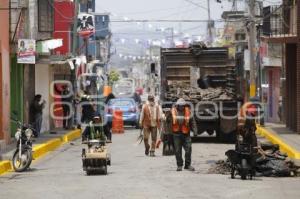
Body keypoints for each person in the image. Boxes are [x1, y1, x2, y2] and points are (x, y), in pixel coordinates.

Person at [171, 98, 197, 171]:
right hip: (176, 134)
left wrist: (195, 131)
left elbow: (193, 122)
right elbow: (168, 123)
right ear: (177, 105)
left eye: (183, 105)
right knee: (177, 151)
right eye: (180, 105)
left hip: (186, 134)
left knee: (188, 149)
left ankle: (187, 165)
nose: (182, 107)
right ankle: (179, 165)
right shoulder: (173, 111)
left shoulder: (188, 111)